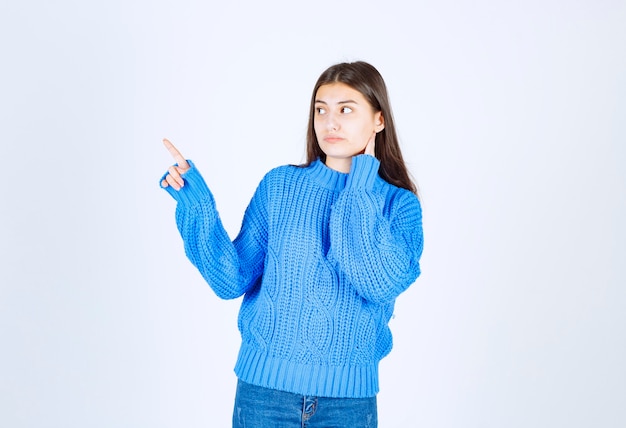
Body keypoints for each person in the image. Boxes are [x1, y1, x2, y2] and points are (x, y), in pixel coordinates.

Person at [160, 61, 424, 428]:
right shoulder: (280, 186)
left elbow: (376, 281)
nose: (330, 122)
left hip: (348, 404)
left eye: (346, 109)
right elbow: (231, 279)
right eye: (321, 109)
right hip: (264, 395)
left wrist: (361, 182)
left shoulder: (399, 205)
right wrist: (197, 205)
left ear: (378, 120)